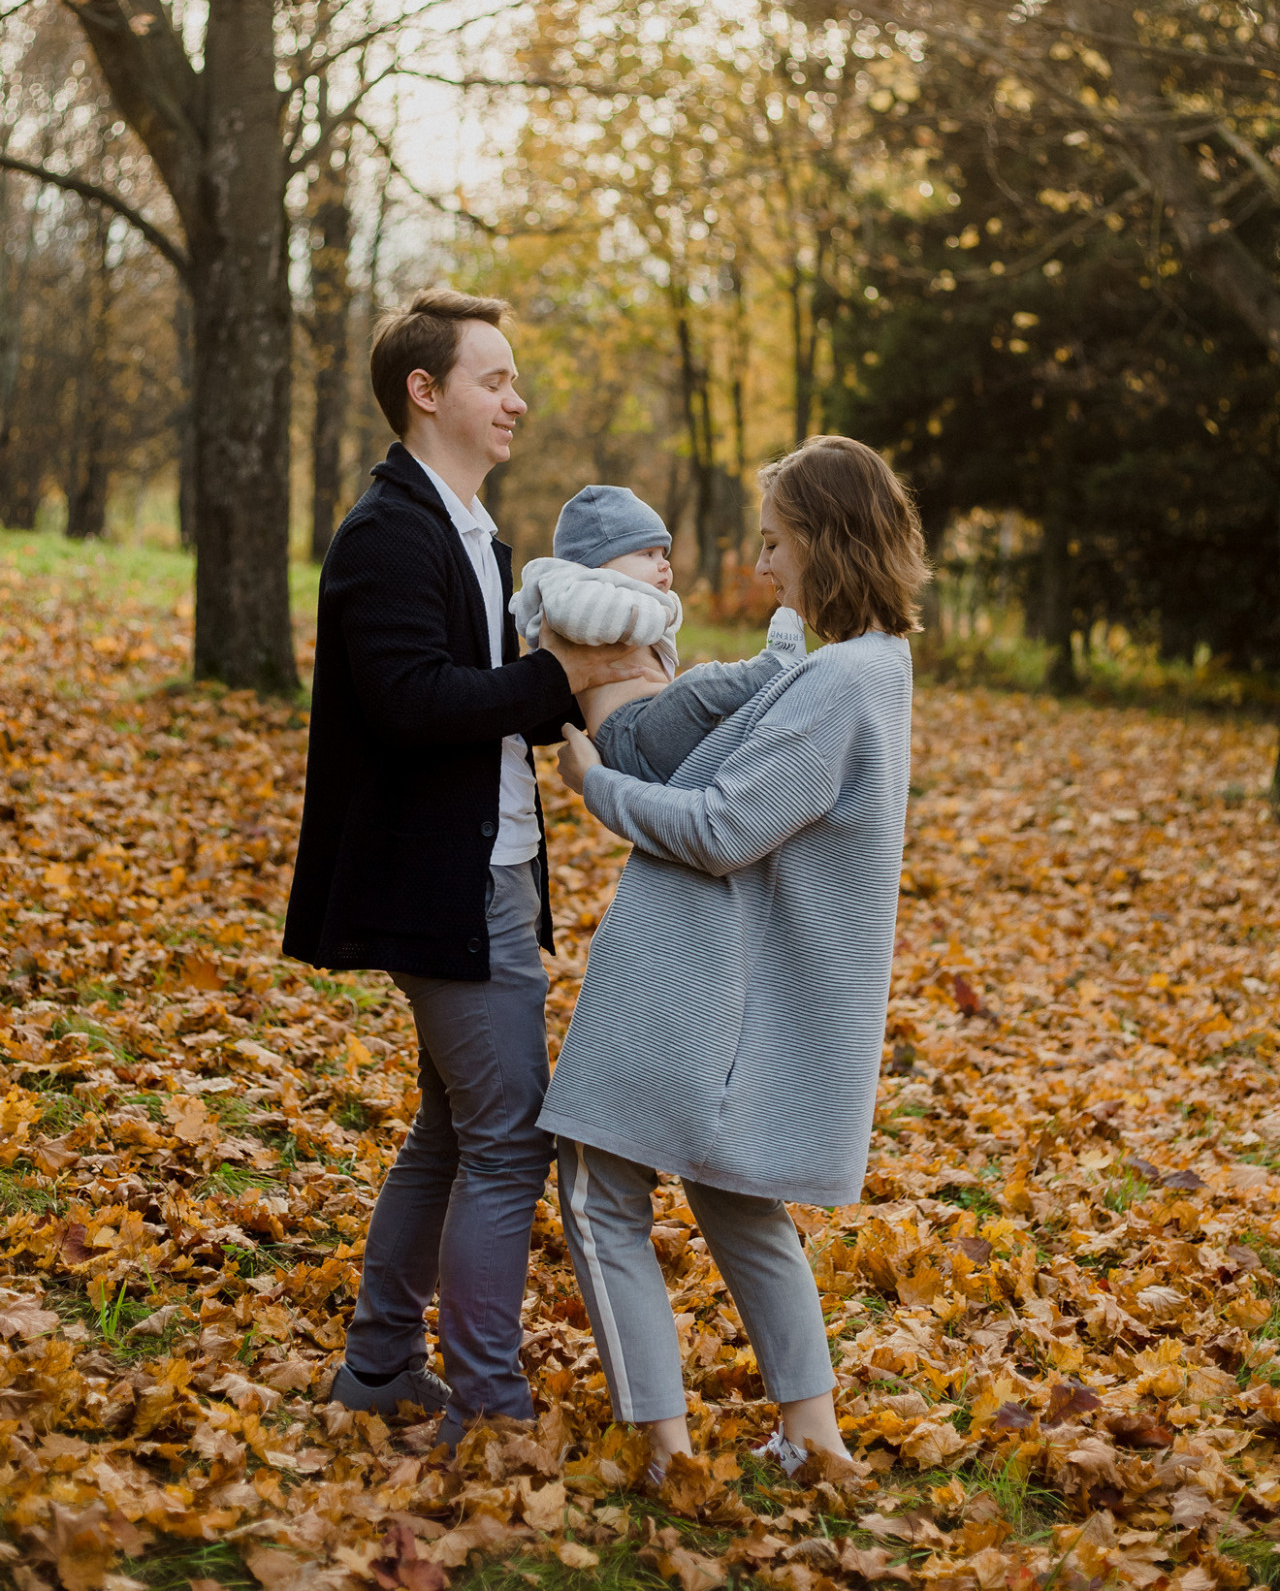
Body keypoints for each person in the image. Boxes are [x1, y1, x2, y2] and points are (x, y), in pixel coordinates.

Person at [282, 286, 652, 1446]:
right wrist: (565, 679)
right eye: (494, 379)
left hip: (490, 870)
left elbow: (482, 705)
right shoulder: (387, 531)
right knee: (507, 1139)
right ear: (424, 391)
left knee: (453, 1131)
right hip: (437, 885)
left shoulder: (475, 530)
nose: (517, 400)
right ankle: (487, 1407)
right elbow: (407, 704)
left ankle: (379, 1371)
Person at [538, 436, 928, 1480]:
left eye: (775, 544)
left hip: (701, 981)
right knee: (737, 1201)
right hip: (734, 983)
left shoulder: (841, 682)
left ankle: (662, 1448)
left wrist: (592, 783)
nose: (763, 569)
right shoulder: (867, 670)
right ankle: (810, 1434)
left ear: (826, 543)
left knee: (593, 1182)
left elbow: (719, 826)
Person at [512, 482, 810, 780]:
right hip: (629, 730)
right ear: (599, 565)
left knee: (733, 725)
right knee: (699, 686)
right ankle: (773, 665)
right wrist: (655, 613)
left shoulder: (628, 599)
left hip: (646, 730)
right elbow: (575, 614)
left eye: (663, 554)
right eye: (648, 554)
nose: (664, 564)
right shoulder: (574, 589)